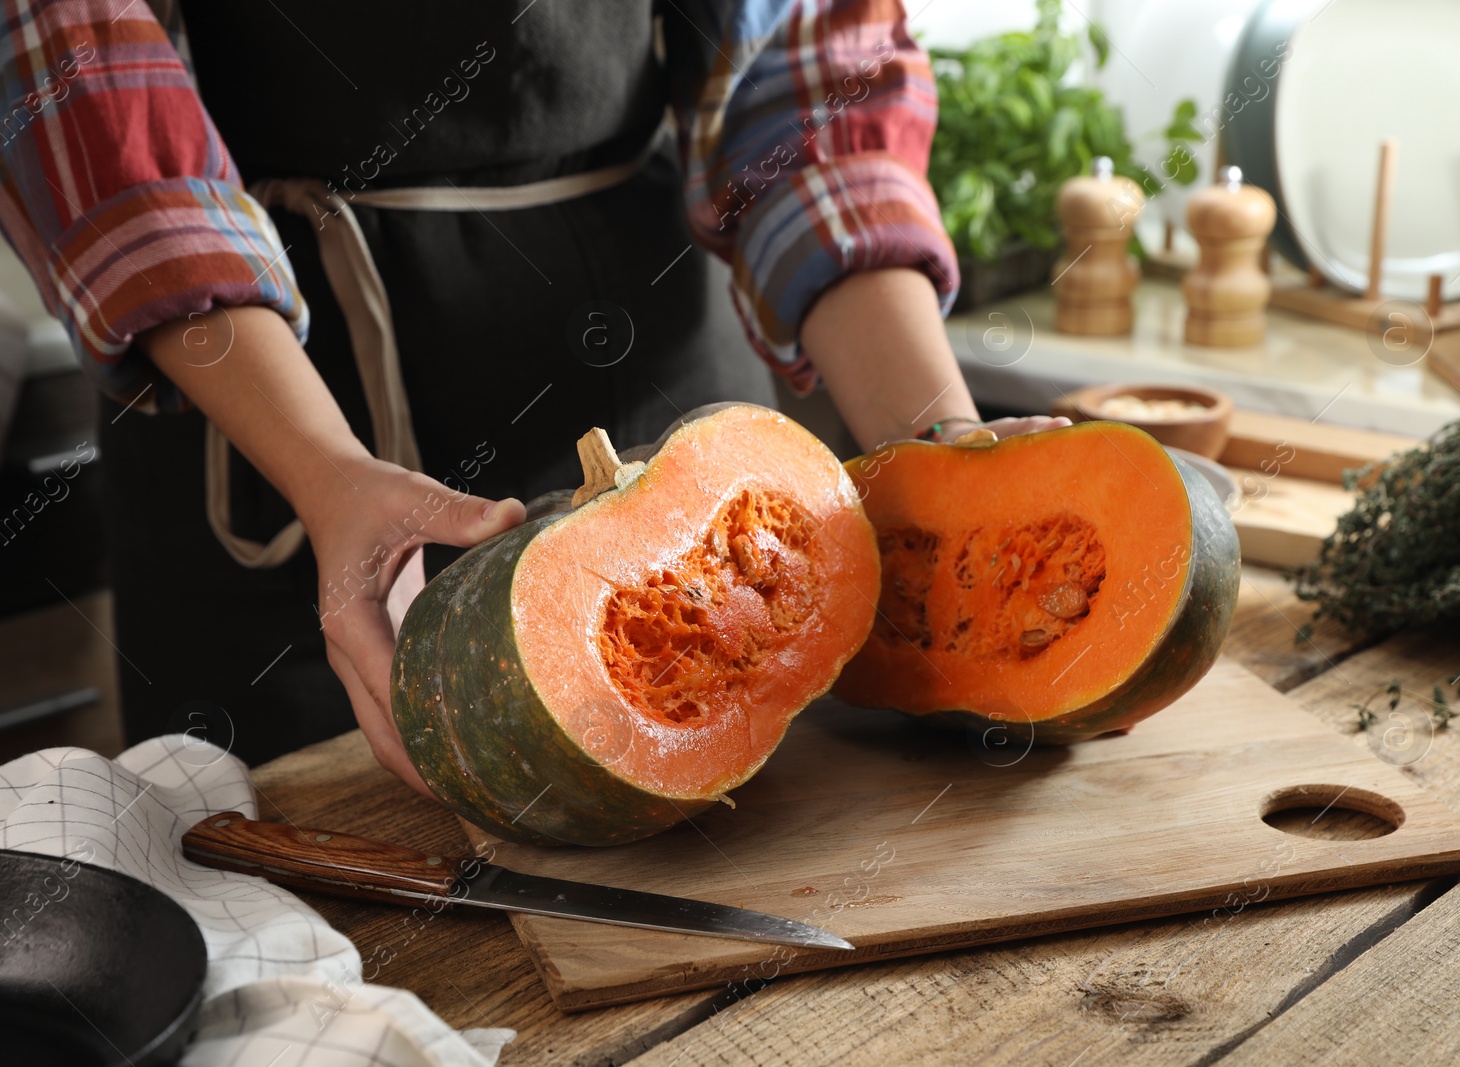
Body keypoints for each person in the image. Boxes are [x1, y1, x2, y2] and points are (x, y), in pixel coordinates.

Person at [0, 0, 1066, 792]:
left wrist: (941, 446)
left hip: (650, 362)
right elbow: (89, 110)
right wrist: (326, 476)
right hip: (275, 421)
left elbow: (802, 86)